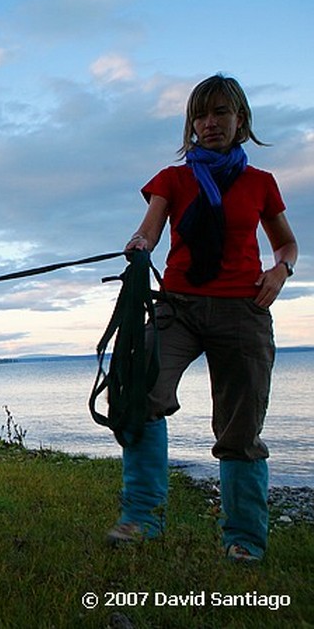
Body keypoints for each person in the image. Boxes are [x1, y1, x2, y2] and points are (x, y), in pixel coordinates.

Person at [109, 74, 298, 562]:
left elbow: (286, 243)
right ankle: (143, 518)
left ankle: (244, 539)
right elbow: (148, 231)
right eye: (201, 114)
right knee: (139, 389)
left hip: (244, 311)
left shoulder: (261, 184)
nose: (209, 124)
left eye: (220, 113)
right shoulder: (173, 179)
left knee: (239, 426)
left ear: (241, 120)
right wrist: (138, 247)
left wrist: (281, 270)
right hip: (179, 307)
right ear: (191, 123)